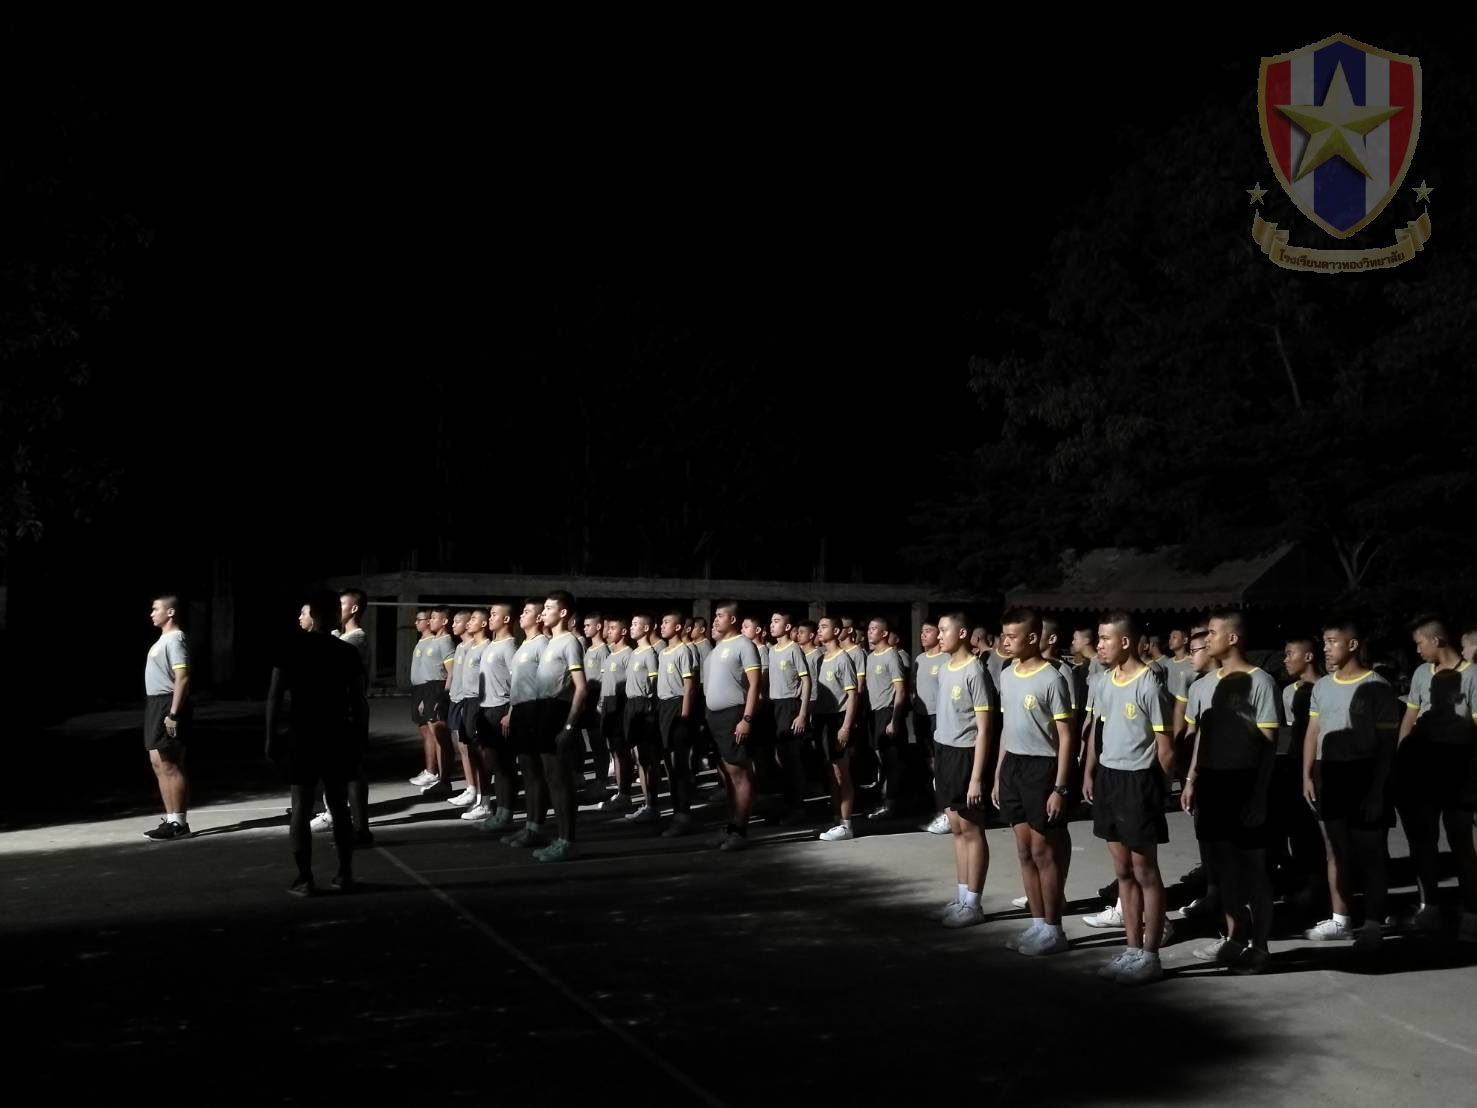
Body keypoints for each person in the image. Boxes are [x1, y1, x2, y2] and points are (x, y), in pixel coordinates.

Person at [1180, 610, 1281, 975]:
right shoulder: (1203, 685)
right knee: (1222, 869)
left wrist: (1259, 796)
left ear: (1233, 638)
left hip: (1245, 782)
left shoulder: (1261, 683)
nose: (1206, 640)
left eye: (1213, 633)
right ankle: (1234, 937)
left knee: (1253, 868)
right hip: (1211, 783)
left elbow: (1268, 746)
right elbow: (1200, 740)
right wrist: (1191, 780)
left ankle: (1261, 947)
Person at [1081, 611, 1174, 985]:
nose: (1099, 645)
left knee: (1144, 870)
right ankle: (1132, 948)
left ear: (1125, 641)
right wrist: (1090, 771)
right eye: (1098, 638)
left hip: (1139, 782)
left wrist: (1160, 789)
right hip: (1110, 778)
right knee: (1122, 871)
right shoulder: (1104, 681)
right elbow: (1098, 731)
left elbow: (1165, 747)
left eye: (1105, 638)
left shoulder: (1149, 685)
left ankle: (1151, 955)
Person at [1301, 617, 1401, 951]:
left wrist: (1377, 790)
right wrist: (1307, 774)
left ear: (1353, 645)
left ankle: (1372, 923)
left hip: (1365, 772)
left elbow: (1387, 745)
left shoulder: (1377, 686)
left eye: (1333, 641)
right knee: (1335, 850)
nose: (1326, 648)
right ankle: (1340, 920)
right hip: (1331, 773)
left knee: (1371, 852)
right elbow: (1313, 731)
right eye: (1325, 642)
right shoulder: (1322, 686)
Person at [266, 592, 366, 894]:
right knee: (338, 804)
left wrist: (270, 736)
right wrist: (360, 738)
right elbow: (359, 701)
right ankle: (345, 873)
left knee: (301, 805)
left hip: (303, 732)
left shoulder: (290, 649)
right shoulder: (346, 652)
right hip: (337, 732)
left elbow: (274, 697)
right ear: (335, 614)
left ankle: (305, 878)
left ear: (313, 615)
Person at [994, 608, 1076, 955]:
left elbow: (1066, 736)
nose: (1005, 642)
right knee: (1024, 850)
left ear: (1031, 638)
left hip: (1042, 768)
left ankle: (1055, 930)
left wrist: (1059, 787)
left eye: (1012, 636)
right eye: (1004, 635)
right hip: (1013, 765)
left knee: (1044, 852)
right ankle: (1038, 924)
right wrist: (998, 774)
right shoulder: (1007, 674)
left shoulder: (1052, 678)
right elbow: (1006, 727)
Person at [1395, 616, 1477, 941]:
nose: (1417, 650)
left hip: (1459, 765)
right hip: (1423, 766)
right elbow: (1410, 717)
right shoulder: (1420, 674)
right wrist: (1401, 757)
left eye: (1420, 643)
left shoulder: (1472, 676)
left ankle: (1471, 913)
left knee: (1461, 841)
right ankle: (1429, 907)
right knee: (1423, 841)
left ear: (1437, 640)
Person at [929, 613, 997, 926]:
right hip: (945, 752)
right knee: (956, 829)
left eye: (944, 630)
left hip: (966, 755)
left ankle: (973, 903)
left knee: (971, 829)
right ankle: (961, 897)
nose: (939, 635)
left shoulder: (975, 670)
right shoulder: (944, 669)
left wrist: (976, 778)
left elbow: (985, 729)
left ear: (962, 633)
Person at [528, 591, 589, 862]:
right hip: (543, 710)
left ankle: (567, 841)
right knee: (551, 778)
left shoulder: (570, 643)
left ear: (563, 613)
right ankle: (560, 838)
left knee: (561, 780)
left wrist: (569, 726)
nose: (543, 613)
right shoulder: (551, 641)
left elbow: (581, 688)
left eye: (549, 608)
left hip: (557, 712)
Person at [1271, 636, 1326, 915]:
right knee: (1296, 827)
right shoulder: (1288, 692)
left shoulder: (1325, 687)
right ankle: (1303, 881)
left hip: (1319, 764)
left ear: (1308, 656)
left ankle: (1320, 887)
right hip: (1293, 763)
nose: (1285, 659)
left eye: (1290, 653)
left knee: (1316, 829)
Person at [703, 601, 763, 850]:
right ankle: (731, 825)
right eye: (715, 616)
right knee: (726, 776)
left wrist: (746, 719)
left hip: (734, 715)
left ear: (733, 619)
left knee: (740, 774)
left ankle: (740, 830)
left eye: (720, 616)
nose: (715, 620)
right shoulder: (716, 649)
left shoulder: (744, 645)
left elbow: (755, 685)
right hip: (714, 717)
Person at [143, 593, 193, 840]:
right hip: (155, 704)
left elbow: (182, 677)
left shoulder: (176, 638)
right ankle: (171, 818)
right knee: (158, 762)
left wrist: (173, 713)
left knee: (170, 764)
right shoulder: (163, 639)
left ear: (170, 612)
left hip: (167, 703)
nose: (152, 613)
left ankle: (179, 824)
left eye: (156, 609)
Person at [503, 600, 551, 848]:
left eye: (527, 612)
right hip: (520, 710)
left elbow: (547, 683)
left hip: (534, 710)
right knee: (527, 771)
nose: (521, 615)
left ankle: (536, 827)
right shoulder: (524, 645)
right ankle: (529, 826)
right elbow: (517, 685)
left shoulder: (543, 644)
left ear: (540, 618)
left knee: (535, 772)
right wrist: (512, 712)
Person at [813, 616, 862, 842]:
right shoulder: (821, 659)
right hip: (823, 719)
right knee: (831, 773)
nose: (819, 630)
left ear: (836, 631)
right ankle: (836, 819)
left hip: (839, 718)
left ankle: (846, 824)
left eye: (824, 627)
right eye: (819, 627)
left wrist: (846, 727)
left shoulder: (843, 659)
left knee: (842, 773)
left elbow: (853, 695)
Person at [472, 603, 518, 832]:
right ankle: (499, 810)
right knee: (493, 764)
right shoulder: (492, 645)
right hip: (486, 709)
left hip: (501, 710)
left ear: (506, 619)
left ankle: (506, 813)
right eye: (489, 614)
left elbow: (517, 681)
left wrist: (510, 712)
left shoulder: (509, 647)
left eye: (494, 615)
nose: (490, 618)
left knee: (504, 765)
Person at [652, 611, 699, 836]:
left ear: (678, 627)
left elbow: (689, 688)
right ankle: (676, 813)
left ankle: (683, 816)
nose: (662, 626)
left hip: (677, 706)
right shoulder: (663, 653)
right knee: (669, 766)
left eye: (667, 622)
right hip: (663, 707)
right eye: (662, 622)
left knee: (680, 765)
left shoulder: (683, 650)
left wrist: (684, 718)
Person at [766, 610, 812, 825]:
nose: (772, 625)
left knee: (792, 760)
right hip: (774, 705)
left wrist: (802, 713)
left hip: (790, 705)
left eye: (776, 621)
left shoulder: (794, 649)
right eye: (771, 621)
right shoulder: (771, 650)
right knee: (779, 759)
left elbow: (806, 681)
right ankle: (786, 805)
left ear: (786, 627)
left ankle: (798, 808)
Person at [863, 617, 909, 820]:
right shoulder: (870, 657)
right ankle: (886, 800)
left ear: (884, 633)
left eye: (874, 628)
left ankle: (892, 804)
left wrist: (895, 720)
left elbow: (901, 690)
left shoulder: (892, 656)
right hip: (874, 713)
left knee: (892, 761)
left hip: (888, 712)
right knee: (881, 760)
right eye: (869, 628)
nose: (869, 632)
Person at [617, 613, 662, 820]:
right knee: (637, 757)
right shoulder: (635, 653)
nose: (632, 627)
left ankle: (652, 805)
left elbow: (654, 681)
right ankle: (646, 804)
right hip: (631, 705)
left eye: (636, 624)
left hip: (643, 704)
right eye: (632, 623)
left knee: (646, 757)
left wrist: (650, 706)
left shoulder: (649, 653)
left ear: (646, 628)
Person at [913, 620, 951, 835]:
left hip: (940, 718)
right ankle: (937, 810)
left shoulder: (946, 658)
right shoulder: (919, 659)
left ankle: (946, 813)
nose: (923, 635)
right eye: (922, 631)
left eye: (928, 631)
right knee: (928, 765)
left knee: (940, 766)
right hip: (921, 717)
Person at [596, 615, 635, 813]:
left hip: (621, 704)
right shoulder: (611, 654)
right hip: (608, 705)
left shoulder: (629, 654)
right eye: (608, 628)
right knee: (614, 751)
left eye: (613, 628)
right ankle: (621, 792)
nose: (608, 631)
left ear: (624, 631)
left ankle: (625, 794)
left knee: (622, 752)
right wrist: (601, 702)